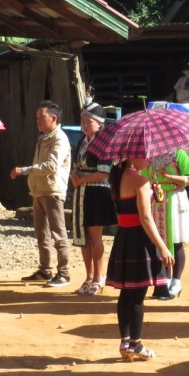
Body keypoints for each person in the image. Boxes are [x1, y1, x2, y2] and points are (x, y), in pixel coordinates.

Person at [104, 156, 174, 361]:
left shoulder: (117, 177)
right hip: (139, 240)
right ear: (132, 155)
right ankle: (136, 344)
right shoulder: (139, 180)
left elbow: (129, 210)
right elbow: (145, 217)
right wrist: (163, 247)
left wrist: (153, 194)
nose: (149, 158)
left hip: (124, 236)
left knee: (126, 293)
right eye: (145, 154)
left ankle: (126, 342)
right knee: (137, 295)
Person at [10, 100, 72, 287]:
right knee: (41, 234)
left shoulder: (59, 138)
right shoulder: (44, 137)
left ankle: (64, 273)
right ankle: (45, 270)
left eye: (41, 117)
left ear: (53, 118)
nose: (37, 120)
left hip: (52, 191)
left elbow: (52, 166)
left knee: (58, 234)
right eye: (36, 117)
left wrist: (25, 170)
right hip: (39, 191)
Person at [70, 101, 116, 296]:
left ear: (99, 123)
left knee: (95, 236)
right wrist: (74, 176)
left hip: (97, 192)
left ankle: (99, 277)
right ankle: (88, 277)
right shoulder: (82, 141)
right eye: (82, 121)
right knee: (84, 236)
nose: (84, 124)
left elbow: (104, 172)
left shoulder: (104, 143)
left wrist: (83, 179)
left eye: (88, 121)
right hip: (82, 192)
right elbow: (77, 165)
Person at [147, 148, 189, 300]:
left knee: (175, 240)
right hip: (156, 199)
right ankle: (164, 279)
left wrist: (167, 176)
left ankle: (176, 280)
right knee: (159, 241)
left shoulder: (179, 154)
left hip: (174, 199)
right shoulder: (151, 154)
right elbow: (145, 175)